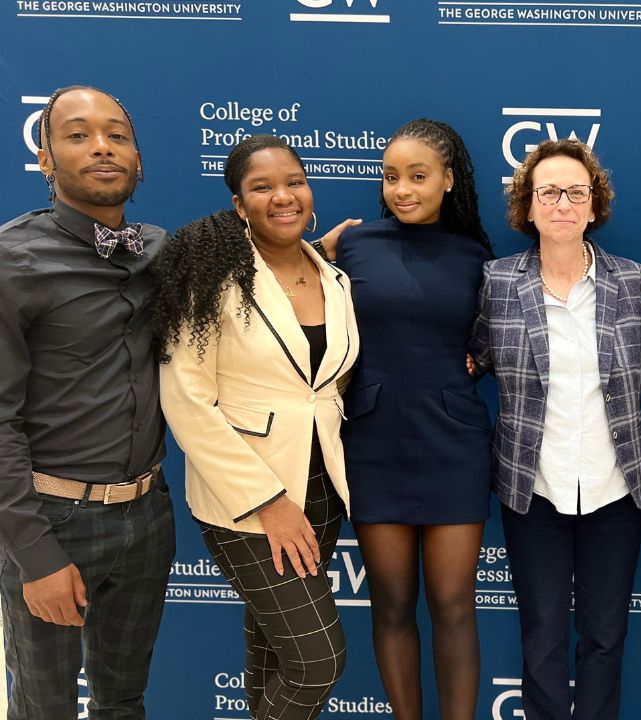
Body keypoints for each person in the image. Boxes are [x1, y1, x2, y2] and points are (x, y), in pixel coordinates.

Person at [154, 134, 360, 720]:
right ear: (240, 205)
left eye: (294, 181)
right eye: (262, 187)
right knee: (318, 660)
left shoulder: (335, 278)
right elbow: (187, 400)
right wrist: (269, 502)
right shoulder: (210, 278)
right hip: (246, 501)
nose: (283, 196)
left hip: (322, 489)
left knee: (274, 654)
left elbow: (326, 383)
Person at [0, 85, 176, 720]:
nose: (101, 146)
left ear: (138, 159)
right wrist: (36, 554)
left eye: (117, 135)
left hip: (149, 518)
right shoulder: (11, 261)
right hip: (53, 520)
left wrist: (317, 262)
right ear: (45, 160)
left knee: (123, 702)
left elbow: (249, 297)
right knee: (43, 707)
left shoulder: (163, 251)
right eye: (77, 135)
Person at [468, 139, 641, 720]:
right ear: (528, 205)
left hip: (614, 486)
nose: (563, 204)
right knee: (543, 635)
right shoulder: (498, 282)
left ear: (595, 206)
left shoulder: (629, 280)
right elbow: (479, 355)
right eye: (549, 192)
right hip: (534, 488)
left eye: (577, 192)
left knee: (604, 636)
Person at [321, 118, 494, 720]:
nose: (402, 189)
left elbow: (498, 338)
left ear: (448, 180)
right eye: (392, 176)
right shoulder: (353, 244)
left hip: (454, 443)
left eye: (418, 176)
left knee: (453, 604)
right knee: (391, 603)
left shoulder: (477, 254)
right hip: (374, 440)